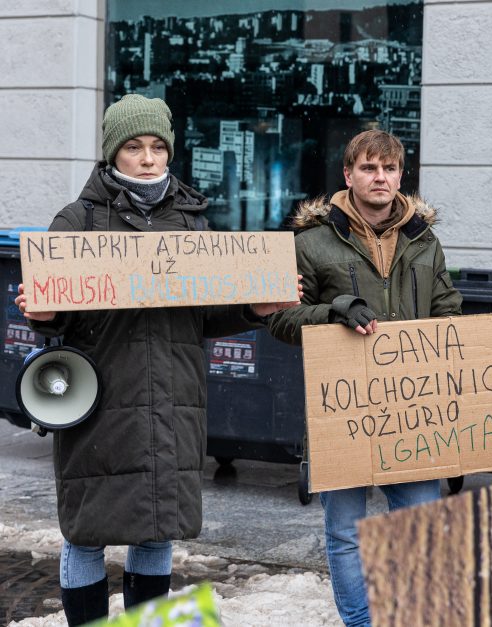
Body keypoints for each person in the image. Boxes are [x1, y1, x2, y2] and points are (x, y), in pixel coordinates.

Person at [14, 94, 299, 626]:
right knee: (86, 532)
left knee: (157, 527)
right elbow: (57, 315)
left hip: (173, 399)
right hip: (102, 399)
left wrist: (254, 308)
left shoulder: (192, 222)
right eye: (133, 147)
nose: (147, 158)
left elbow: (206, 316)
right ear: (111, 154)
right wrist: (45, 315)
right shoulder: (78, 220)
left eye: (156, 147)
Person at [266, 129, 462, 626]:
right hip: (344, 411)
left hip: (414, 411)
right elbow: (281, 318)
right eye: (370, 168)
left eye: (390, 169)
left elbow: (449, 315)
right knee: (347, 532)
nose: (381, 178)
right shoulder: (309, 244)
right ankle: (361, 623)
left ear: (401, 176)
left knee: (416, 527)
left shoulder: (425, 242)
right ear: (348, 175)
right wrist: (333, 312)